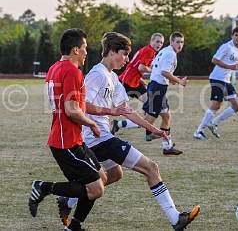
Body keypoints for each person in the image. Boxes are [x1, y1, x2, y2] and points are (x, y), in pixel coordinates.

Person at [57, 32, 200, 231]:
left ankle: (69, 200)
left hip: (101, 138)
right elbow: (82, 105)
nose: (127, 59)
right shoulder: (97, 74)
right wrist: (110, 112)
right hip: (96, 139)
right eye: (124, 54)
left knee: (114, 174)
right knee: (151, 168)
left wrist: (154, 129)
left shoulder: (113, 78)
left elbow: (127, 111)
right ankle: (176, 219)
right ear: (112, 51)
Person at [28, 29, 111, 231]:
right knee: (95, 189)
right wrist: (91, 123)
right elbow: (72, 110)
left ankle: (74, 226)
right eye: (84, 49)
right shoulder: (72, 71)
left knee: (102, 178)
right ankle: (44, 187)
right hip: (65, 142)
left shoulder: (54, 68)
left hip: (72, 139)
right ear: (75, 49)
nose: (86, 53)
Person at [193, 27, 238, 141]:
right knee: (216, 105)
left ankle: (213, 123)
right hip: (217, 78)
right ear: (232, 36)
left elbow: (233, 64)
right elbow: (214, 60)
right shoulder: (226, 46)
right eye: (236, 35)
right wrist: (230, 66)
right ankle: (198, 131)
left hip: (226, 80)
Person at [142, 32, 188, 155]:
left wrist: (171, 79)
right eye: (177, 42)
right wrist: (179, 81)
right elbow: (164, 72)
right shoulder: (170, 54)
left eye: (182, 42)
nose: (180, 44)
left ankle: (167, 147)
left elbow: (155, 66)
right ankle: (119, 124)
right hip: (157, 88)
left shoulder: (165, 50)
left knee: (166, 116)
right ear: (172, 41)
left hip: (158, 86)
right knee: (147, 121)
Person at [111, 33, 165, 134]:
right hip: (127, 82)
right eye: (157, 41)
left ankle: (145, 129)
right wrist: (154, 71)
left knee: (150, 105)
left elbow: (136, 67)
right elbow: (141, 67)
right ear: (151, 41)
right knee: (117, 107)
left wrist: (141, 80)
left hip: (134, 81)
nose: (159, 44)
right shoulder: (149, 51)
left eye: (161, 42)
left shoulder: (148, 50)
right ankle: (116, 125)